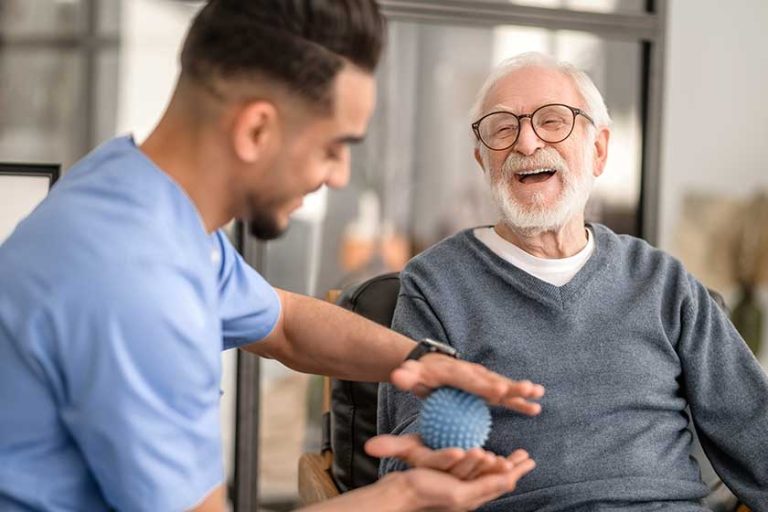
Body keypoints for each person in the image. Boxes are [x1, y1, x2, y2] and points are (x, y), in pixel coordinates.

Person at [0, 2, 548, 511]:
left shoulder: (139, 200)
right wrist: (404, 496)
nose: (338, 176)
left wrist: (422, 362)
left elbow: (286, 325)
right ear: (257, 128)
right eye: (333, 147)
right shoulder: (135, 284)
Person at [378, 52, 768, 511]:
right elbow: (407, 460)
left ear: (598, 149)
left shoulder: (664, 282)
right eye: (502, 128)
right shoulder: (436, 284)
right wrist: (441, 463)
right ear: (482, 159)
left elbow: (754, 430)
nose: (526, 142)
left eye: (553, 121)